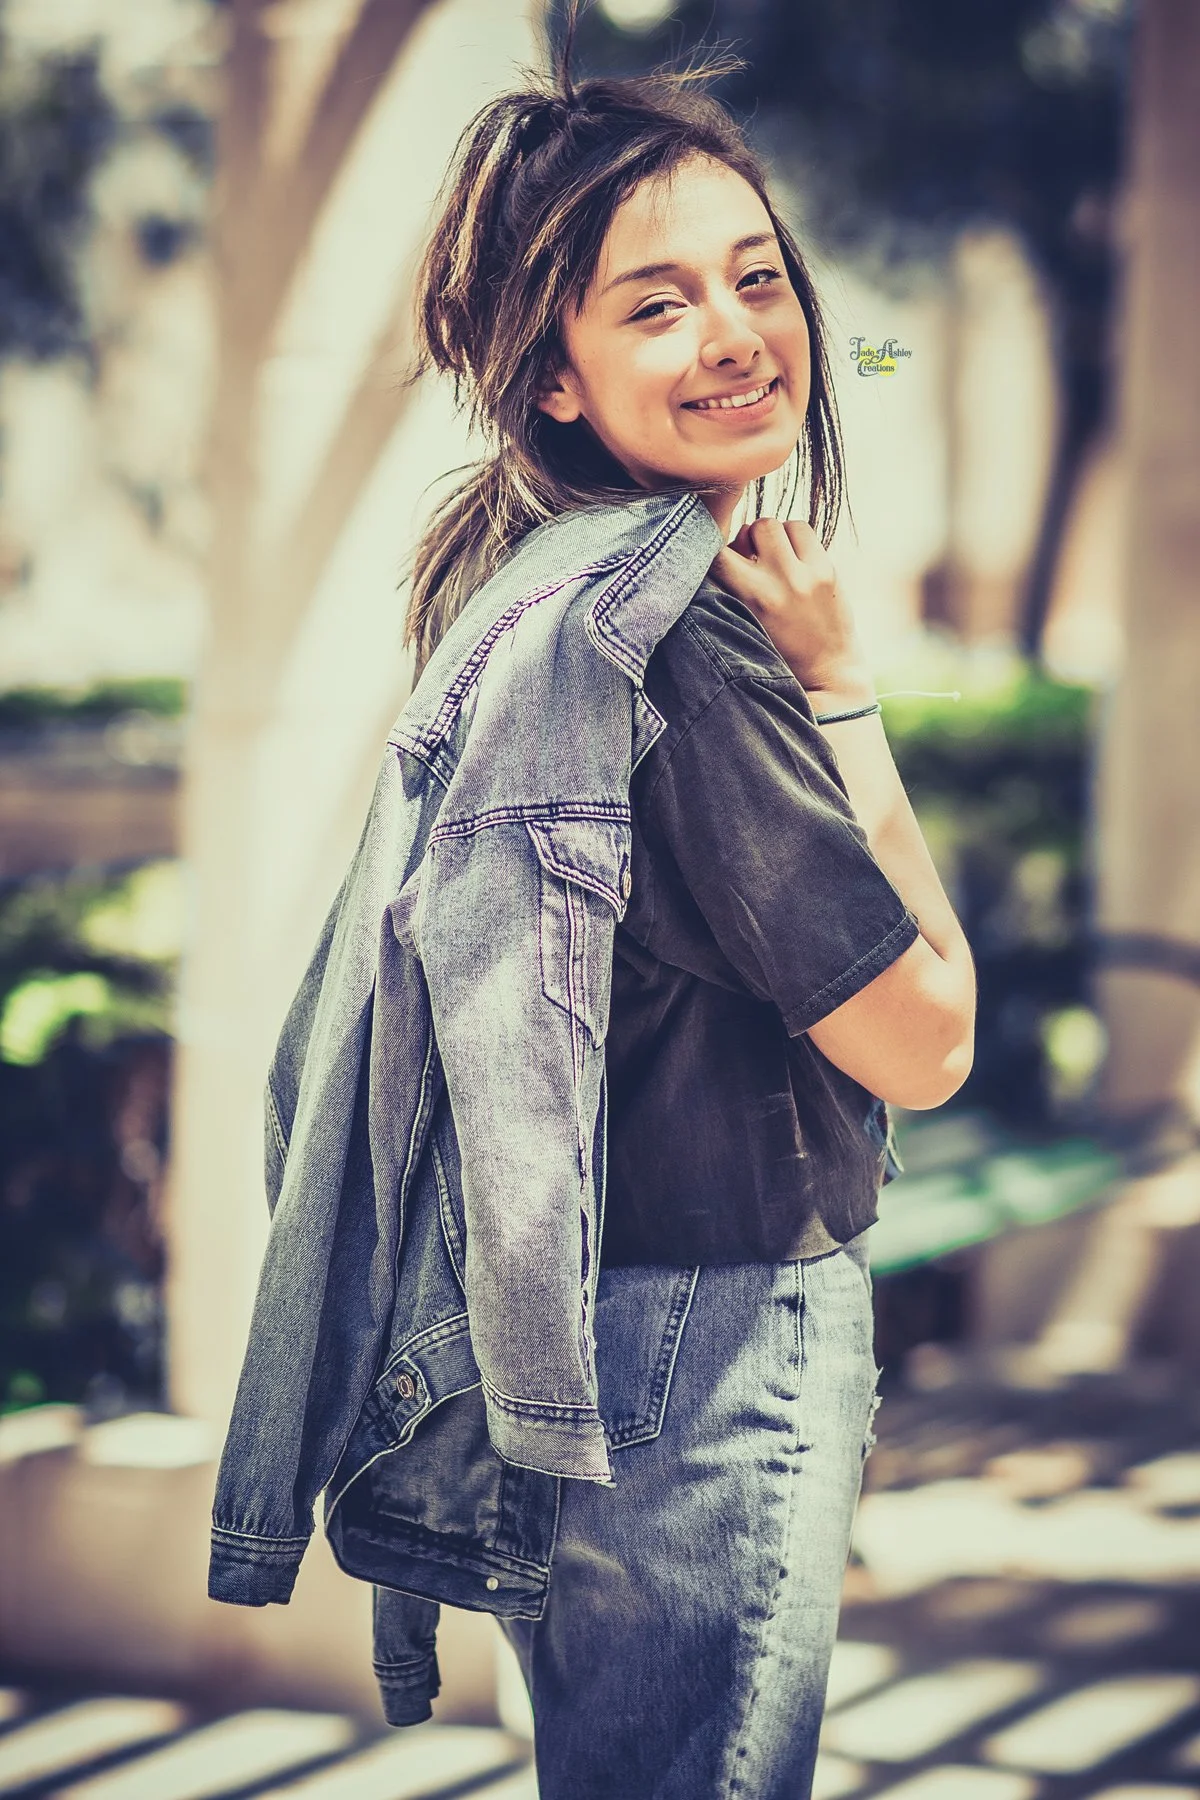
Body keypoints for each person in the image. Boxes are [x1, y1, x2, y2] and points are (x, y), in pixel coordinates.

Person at [394, 37, 977, 1800]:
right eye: (653, 306)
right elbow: (928, 1037)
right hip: (711, 1344)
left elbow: (852, 340)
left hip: (572, 1320)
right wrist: (847, 692)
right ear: (552, 379)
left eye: (755, 278)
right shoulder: (688, 655)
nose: (739, 333)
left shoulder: (521, 592)